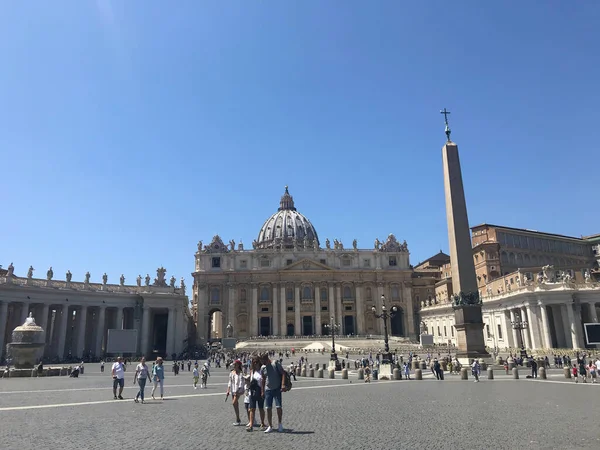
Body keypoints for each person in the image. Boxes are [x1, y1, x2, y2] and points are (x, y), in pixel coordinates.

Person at [260, 352, 286, 433]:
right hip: (268, 389)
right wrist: (262, 391)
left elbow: (283, 373)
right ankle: (270, 426)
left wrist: (283, 384)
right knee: (268, 408)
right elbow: (263, 379)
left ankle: (280, 424)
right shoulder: (263, 367)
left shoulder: (275, 363)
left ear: (267, 358)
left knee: (278, 407)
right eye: (261, 361)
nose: (262, 362)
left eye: (263, 360)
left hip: (277, 388)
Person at [247, 356, 266, 432]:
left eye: (256, 362)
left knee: (261, 408)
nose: (255, 364)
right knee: (252, 408)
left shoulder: (262, 371)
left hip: (260, 391)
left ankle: (262, 423)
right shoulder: (252, 371)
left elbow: (263, 381)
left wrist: (263, 391)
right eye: (254, 362)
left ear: (259, 362)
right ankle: (251, 425)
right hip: (252, 391)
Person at [226, 360, 245, 426]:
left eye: (235, 364)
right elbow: (229, 382)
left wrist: (238, 390)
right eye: (234, 364)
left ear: (238, 365)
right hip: (232, 390)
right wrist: (228, 390)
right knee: (235, 404)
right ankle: (238, 419)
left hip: (238, 390)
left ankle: (238, 419)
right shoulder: (231, 373)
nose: (234, 365)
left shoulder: (241, 373)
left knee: (234, 403)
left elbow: (241, 383)